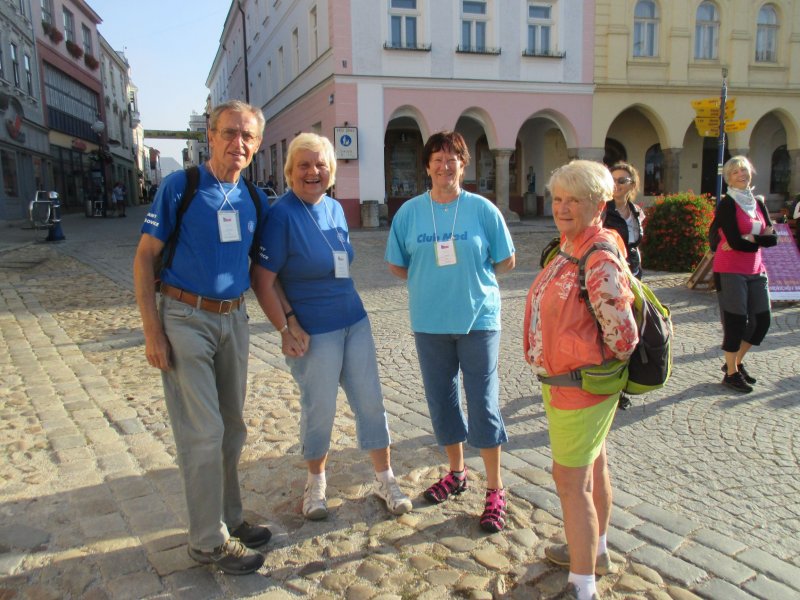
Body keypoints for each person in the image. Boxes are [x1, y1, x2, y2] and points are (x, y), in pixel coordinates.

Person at [132, 100, 271, 575]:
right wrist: (153, 332)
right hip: (184, 317)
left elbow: (262, 267)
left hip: (234, 320)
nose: (239, 143)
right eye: (230, 133)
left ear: (256, 145)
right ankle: (207, 541)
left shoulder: (255, 198)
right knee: (204, 432)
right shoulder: (182, 187)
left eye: (247, 137)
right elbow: (145, 258)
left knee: (232, 428)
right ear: (209, 137)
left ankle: (229, 519)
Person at [251, 132, 412, 520]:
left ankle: (385, 478)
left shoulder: (335, 209)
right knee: (319, 407)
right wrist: (286, 326)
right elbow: (262, 279)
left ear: (331, 170)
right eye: (303, 165)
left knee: (371, 401)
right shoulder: (281, 215)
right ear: (289, 172)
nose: (313, 171)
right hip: (313, 329)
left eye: (320, 164)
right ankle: (316, 482)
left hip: (353, 319)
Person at [385, 130, 515, 533]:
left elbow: (506, 260)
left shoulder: (482, 210)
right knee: (442, 403)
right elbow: (396, 263)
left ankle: (495, 490)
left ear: (464, 164)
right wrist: (431, 283)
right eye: (438, 159)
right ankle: (457, 473)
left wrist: (471, 283)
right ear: (427, 166)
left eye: (453, 158)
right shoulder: (409, 212)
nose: (445, 165)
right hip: (429, 322)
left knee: (483, 404)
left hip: (478, 321)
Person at [523, 160, 639, 600]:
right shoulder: (573, 245)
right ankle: (597, 552)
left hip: (579, 388)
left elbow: (623, 337)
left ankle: (582, 585)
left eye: (576, 200)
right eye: (557, 199)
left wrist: (585, 363)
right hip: (572, 384)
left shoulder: (597, 255)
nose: (563, 208)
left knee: (571, 484)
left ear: (600, 204)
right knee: (594, 466)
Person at [713, 155, 776, 393]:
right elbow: (736, 243)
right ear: (728, 177)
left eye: (745, 170)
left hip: (756, 269)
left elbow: (773, 239)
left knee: (762, 320)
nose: (742, 174)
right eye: (736, 171)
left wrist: (751, 239)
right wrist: (753, 240)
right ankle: (731, 373)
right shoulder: (727, 204)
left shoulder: (758, 202)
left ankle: (735, 363)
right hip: (730, 269)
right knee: (736, 321)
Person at [603, 162, 645, 411]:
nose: (617, 185)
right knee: (613, 328)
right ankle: (612, 386)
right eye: (614, 180)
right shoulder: (602, 211)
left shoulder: (637, 212)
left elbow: (636, 242)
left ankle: (624, 381)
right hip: (611, 275)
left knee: (631, 327)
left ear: (632, 184)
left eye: (623, 180)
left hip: (634, 273)